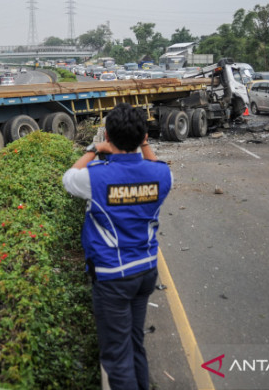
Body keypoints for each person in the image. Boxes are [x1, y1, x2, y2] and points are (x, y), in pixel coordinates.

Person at [62, 103, 173, 390]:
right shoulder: (162, 176)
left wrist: (94, 148)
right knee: (135, 342)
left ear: (109, 137)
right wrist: (144, 144)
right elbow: (155, 163)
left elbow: (68, 178)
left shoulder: (95, 178)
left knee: (116, 357)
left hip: (113, 277)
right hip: (146, 273)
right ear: (143, 136)